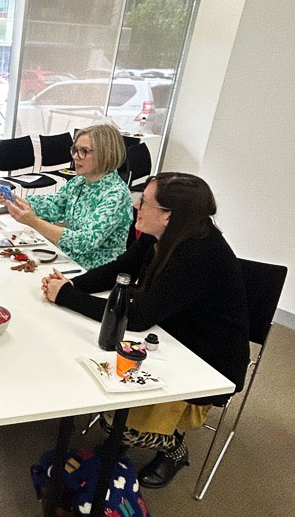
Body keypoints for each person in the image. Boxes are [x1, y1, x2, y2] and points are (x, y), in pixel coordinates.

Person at [42, 172, 249, 488]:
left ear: (169, 216)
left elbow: (137, 317)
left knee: (116, 424)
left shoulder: (199, 254)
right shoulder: (163, 234)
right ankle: (146, 426)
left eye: (145, 202)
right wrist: (70, 285)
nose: (136, 204)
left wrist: (66, 297)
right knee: (95, 375)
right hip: (170, 338)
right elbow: (120, 270)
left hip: (206, 364)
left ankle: (174, 447)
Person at [0, 123, 132, 271]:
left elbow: (84, 241)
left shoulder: (117, 195)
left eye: (84, 151)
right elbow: (55, 205)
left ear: (105, 154)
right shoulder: (79, 182)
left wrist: (33, 221)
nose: (75, 156)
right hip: (70, 261)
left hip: (96, 274)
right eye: (75, 150)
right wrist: (15, 200)